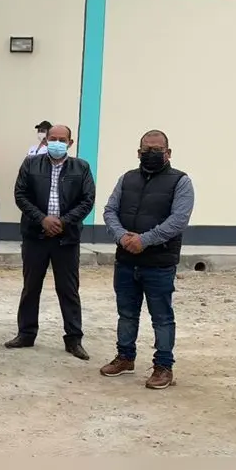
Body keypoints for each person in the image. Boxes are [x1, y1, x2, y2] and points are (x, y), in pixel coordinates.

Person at [100, 129, 194, 390]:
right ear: (138, 152)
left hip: (159, 263)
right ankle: (125, 357)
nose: (151, 154)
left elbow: (178, 220)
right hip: (126, 259)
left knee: (161, 317)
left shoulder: (181, 182)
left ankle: (163, 366)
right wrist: (122, 238)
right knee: (126, 313)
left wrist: (145, 240)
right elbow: (110, 211)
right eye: (146, 150)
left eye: (157, 149)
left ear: (168, 153)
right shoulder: (127, 179)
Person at [4, 124, 94, 359]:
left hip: (67, 238)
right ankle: (26, 333)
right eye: (52, 138)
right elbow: (20, 195)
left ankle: (74, 339)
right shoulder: (31, 164)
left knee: (69, 290)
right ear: (45, 141)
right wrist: (42, 219)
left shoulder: (81, 167)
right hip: (35, 235)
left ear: (70, 143)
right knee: (31, 287)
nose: (56, 142)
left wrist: (63, 222)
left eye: (61, 139)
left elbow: (87, 200)